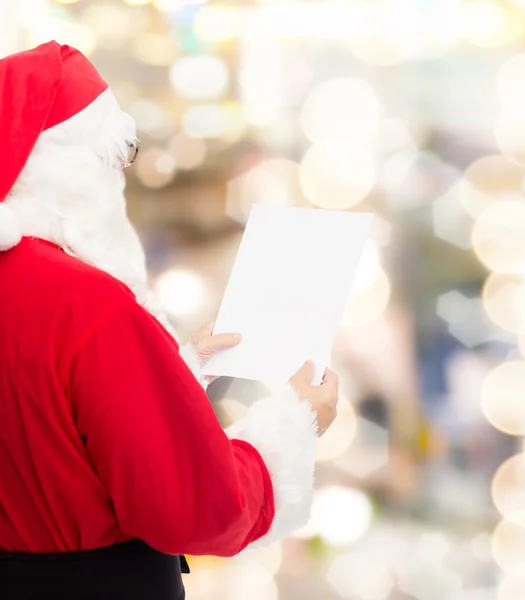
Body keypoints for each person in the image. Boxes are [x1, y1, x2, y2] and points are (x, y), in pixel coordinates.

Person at [0, 41, 339, 600]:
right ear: (71, 168)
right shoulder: (89, 305)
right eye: (115, 160)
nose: (121, 183)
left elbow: (52, 419)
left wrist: (172, 370)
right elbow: (193, 506)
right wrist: (295, 421)